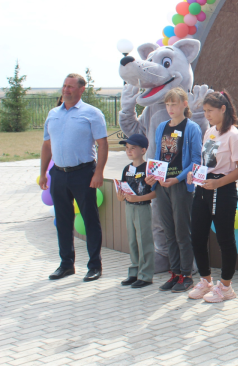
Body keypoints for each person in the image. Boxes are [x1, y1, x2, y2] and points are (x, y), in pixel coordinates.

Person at [40, 73, 108, 282]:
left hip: (84, 173)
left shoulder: (92, 113)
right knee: (62, 220)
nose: (66, 90)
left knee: (90, 220)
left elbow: (103, 145)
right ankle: (66, 264)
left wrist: (98, 173)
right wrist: (43, 172)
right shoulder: (53, 114)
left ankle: (94, 266)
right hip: (59, 174)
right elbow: (47, 145)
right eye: (64, 86)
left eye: (71, 87)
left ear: (81, 89)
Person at [187, 91, 238, 303]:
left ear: (223, 109)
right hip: (204, 187)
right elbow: (207, 162)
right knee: (197, 236)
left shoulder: (234, 135)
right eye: (204, 111)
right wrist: (194, 174)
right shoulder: (209, 131)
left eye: (210, 111)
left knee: (224, 239)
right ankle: (205, 281)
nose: (207, 115)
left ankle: (226, 286)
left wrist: (218, 183)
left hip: (223, 190)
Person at [145, 87, 202, 293]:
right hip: (162, 186)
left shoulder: (192, 127)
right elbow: (157, 156)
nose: (170, 108)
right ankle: (175, 273)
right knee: (168, 231)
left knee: (181, 231)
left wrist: (176, 178)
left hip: (180, 186)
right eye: (167, 104)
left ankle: (186, 275)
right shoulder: (162, 127)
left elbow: (196, 160)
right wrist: (152, 175)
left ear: (184, 104)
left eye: (174, 104)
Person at [117, 133, 155, 288]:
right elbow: (122, 188)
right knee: (132, 240)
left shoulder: (148, 168)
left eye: (133, 148)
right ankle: (134, 272)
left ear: (143, 150)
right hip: (129, 208)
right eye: (127, 148)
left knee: (144, 240)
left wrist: (138, 199)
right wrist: (121, 197)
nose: (129, 151)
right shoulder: (127, 169)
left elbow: (156, 192)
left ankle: (145, 275)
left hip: (142, 208)